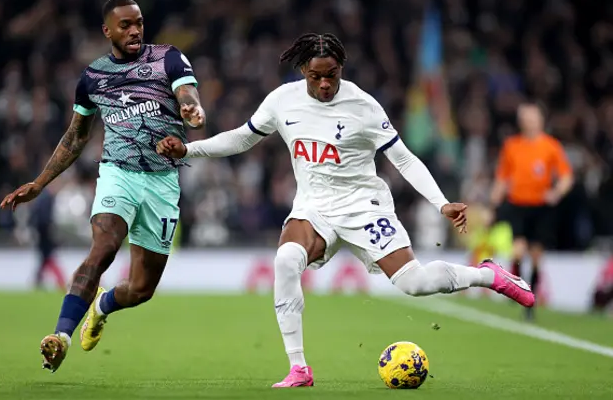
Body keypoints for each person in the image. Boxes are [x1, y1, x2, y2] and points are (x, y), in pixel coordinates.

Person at [156, 33, 534, 388]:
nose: (324, 85)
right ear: (303, 71)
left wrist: (441, 203)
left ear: (341, 69)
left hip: (363, 206)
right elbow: (242, 137)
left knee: (413, 284)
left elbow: (403, 159)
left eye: (331, 76)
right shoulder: (282, 100)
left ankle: (487, 276)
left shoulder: (363, 106)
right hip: (314, 207)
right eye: (316, 77)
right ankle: (299, 367)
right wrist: (190, 150)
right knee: (286, 260)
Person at [0, 0, 206, 373]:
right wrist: (40, 183)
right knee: (104, 248)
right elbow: (76, 137)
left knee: (141, 290)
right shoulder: (93, 77)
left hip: (162, 181)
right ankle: (60, 337)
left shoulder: (168, 58)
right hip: (118, 173)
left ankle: (103, 305)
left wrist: (192, 111)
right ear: (106, 31)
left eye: (139, 23)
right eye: (125, 25)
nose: (134, 31)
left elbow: (188, 96)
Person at [490, 102, 573, 320]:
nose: (529, 122)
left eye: (532, 118)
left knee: (536, 256)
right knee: (518, 251)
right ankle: (515, 289)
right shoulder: (512, 145)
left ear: (540, 120)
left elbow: (566, 176)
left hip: (541, 208)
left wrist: (556, 192)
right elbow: (502, 177)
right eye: (525, 118)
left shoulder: (550, 146)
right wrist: (494, 200)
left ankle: (530, 302)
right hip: (518, 205)